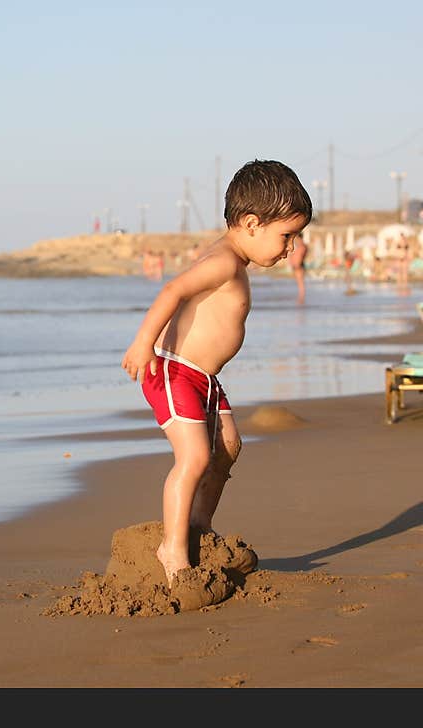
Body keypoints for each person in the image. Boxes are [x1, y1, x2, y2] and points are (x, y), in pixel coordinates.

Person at [120, 159, 312, 587]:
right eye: (286, 236)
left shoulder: (235, 261)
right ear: (250, 223)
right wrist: (143, 343)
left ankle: (199, 528)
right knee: (195, 457)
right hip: (173, 371)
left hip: (203, 378)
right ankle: (172, 548)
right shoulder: (224, 262)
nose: (291, 248)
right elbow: (173, 290)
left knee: (229, 444)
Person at [287, 232, 308, 304]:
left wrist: (294, 261)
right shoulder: (301, 246)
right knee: (300, 283)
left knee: (300, 283)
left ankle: (301, 298)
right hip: (298, 265)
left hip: (298, 266)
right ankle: (301, 297)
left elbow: (299, 257)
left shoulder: (302, 246)